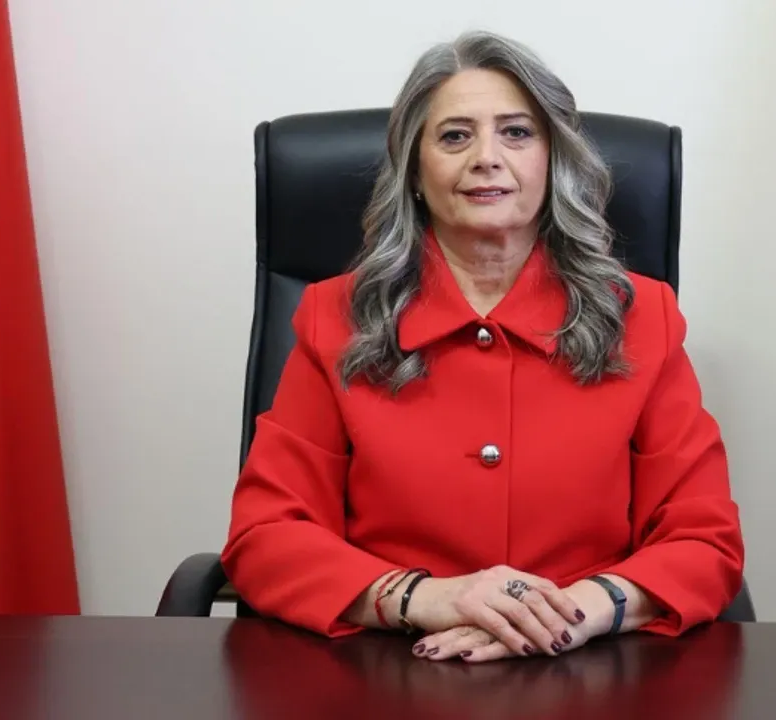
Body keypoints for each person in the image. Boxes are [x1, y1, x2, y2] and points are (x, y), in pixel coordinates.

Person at [221, 29, 744, 663]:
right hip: (389, 663)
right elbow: (265, 536)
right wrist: (425, 597)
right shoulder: (335, 317)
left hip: (590, 663)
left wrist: (570, 614)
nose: (486, 157)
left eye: (517, 133)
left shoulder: (642, 317)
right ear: (415, 171)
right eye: (454, 136)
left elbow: (704, 540)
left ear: (553, 161)